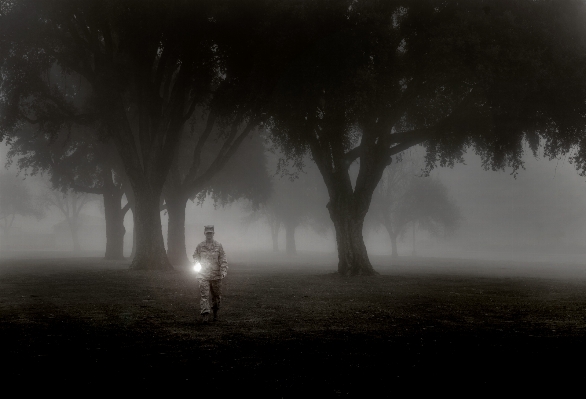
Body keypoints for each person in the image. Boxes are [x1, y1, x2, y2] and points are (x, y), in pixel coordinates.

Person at [193, 225, 228, 323]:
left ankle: (215, 313)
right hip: (203, 275)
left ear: (213, 234)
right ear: (204, 233)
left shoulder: (218, 246)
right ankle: (205, 315)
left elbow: (223, 259)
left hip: (216, 275)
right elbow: (195, 256)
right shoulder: (200, 246)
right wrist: (196, 264)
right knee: (204, 296)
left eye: (211, 233)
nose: (209, 235)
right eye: (207, 233)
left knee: (216, 296)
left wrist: (223, 270)